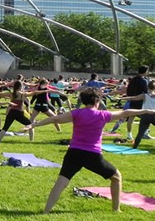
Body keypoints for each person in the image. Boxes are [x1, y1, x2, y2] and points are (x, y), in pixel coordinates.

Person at [22, 87, 155, 213]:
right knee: (116, 177)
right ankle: (116, 209)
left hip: (73, 153)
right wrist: (147, 111)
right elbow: (126, 113)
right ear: (97, 101)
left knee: (61, 182)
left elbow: (56, 118)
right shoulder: (102, 115)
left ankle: (46, 211)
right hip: (92, 155)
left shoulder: (77, 113)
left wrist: (34, 124)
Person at [116, 79, 155, 149]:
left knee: (140, 133)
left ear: (147, 87)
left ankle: (135, 147)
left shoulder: (145, 95)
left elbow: (133, 98)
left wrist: (121, 98)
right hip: (154, 115)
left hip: (145, 115)